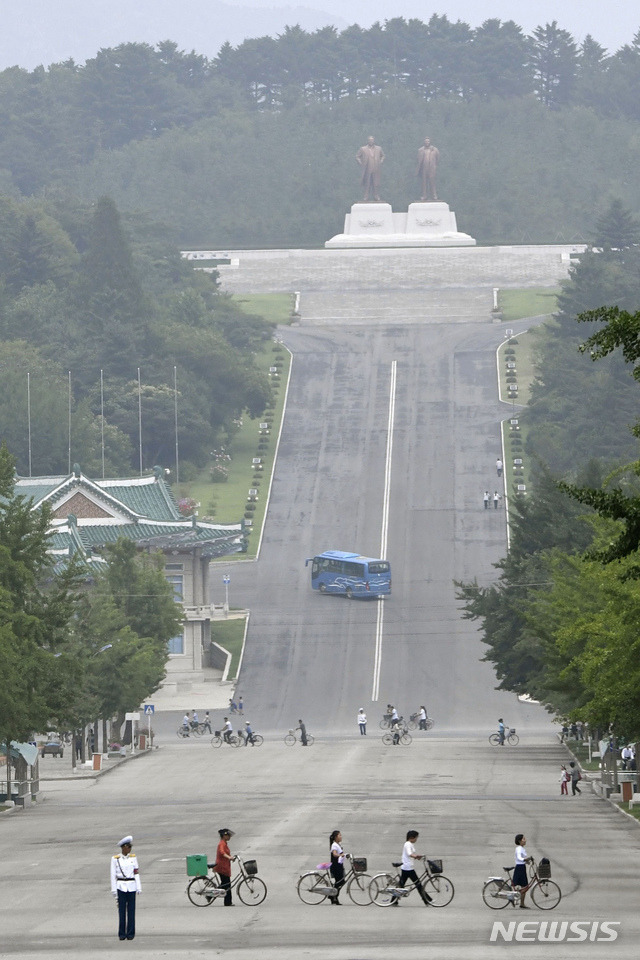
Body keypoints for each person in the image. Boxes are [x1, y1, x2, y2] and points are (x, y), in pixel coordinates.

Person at [111, 835, 141, 940]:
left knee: (131, 911)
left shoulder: (133, 858)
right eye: (129, 847)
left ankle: (131, 933)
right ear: (123, 847)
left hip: (131, 886)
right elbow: (113, 875)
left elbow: (136, 873)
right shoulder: (115, 859)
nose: (130, 849)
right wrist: (114, 890)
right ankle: (122, 933)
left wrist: (139, 886)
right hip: (121, 886)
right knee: (122, 912)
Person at [393, 830, 432, 905]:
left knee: (401, 885)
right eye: (416, 837)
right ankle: (427, 900)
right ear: (411, 837)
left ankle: (393, 901)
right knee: (418, 884)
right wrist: (417, 856)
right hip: (408, 868)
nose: (416, 839)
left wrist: (417, 857)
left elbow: (411, 855)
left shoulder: (410, 844)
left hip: (407, 867)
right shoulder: (408, 844)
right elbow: (409, 854)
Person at [356, 136, 385, 201]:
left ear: (374, 141)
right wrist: (361, 163)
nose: (371, 141)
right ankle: (366, 196)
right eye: (370, 140)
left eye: (372, 140)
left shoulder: (378, 148)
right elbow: (357, 156)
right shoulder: (363, 149)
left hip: (376, 168)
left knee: (375, 183)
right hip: (367, 168)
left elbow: (383, 155)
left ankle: (376, 195)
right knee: (367, 182)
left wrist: (380, 161)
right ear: (368, 141)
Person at [215, 828, 236, 906]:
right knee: (227, 885)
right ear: (224, 836)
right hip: (221, 867)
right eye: (228, 835)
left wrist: (231, 857)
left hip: (224, 866)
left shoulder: (224, 843)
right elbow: (222, 852)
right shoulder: (222, 844)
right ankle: (227, 902)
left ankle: (227, 901)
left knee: (225, 884)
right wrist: (229, 857)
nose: (229, 837)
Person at [416, 137, 439, 202]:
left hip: (432, 168)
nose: (427, 142)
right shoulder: (420, 150)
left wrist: (434, 166)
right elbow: (418, 160)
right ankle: (424, 196)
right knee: (424, 182)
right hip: (424, 168)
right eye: (426, 141)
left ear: (430, 142)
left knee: (432, 182)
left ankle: (434, 195)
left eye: (428, 141)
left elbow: (437, 159)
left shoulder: (435, 150)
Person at [513, 834, 532, 907]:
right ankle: (519, 900)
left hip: (522, 867)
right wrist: (525, 859)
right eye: (523, 839)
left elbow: (522, 859)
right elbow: (519, 858)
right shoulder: (519, 849)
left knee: (524, 886)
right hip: (519, 868)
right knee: (525, 886)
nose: (525, 840)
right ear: (519, 841)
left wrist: (527, 861)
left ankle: (522, 903)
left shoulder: (522, 848)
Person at [329, 830, 346, 905]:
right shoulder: (334, 845)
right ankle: (333, 896)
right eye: (339, 835)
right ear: (336, 837)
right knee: (340, 882)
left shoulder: (337, 844)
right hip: (336, 867)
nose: (341, 836)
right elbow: (334, 854)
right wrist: (340, 855)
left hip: (339, 866)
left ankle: (333, 897)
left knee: (340, 882)